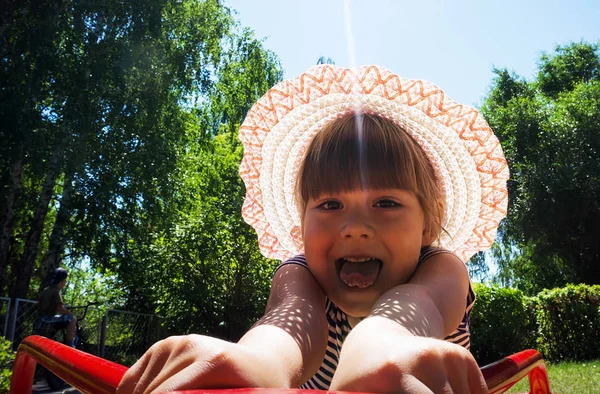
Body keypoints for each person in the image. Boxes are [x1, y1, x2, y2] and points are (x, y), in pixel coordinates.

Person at [117, 65, 509, 393]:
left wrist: (379, 346)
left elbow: (417, 305)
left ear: (429, 222)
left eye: (386, 203)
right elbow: (291, 320)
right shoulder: (302, 273)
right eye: (329, 205)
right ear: (301, 221)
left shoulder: (441, 268)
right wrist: (258, 361)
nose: (355, 228)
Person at [35, 268, 77, 347]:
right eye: (65, 281)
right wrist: (70, 314)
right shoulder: (56, 291)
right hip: (47, 320)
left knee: (61, 318)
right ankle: (70, 345)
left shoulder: (46, 290)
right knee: (72, 319)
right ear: (62, 281)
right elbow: (61, 309)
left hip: (40, 320)